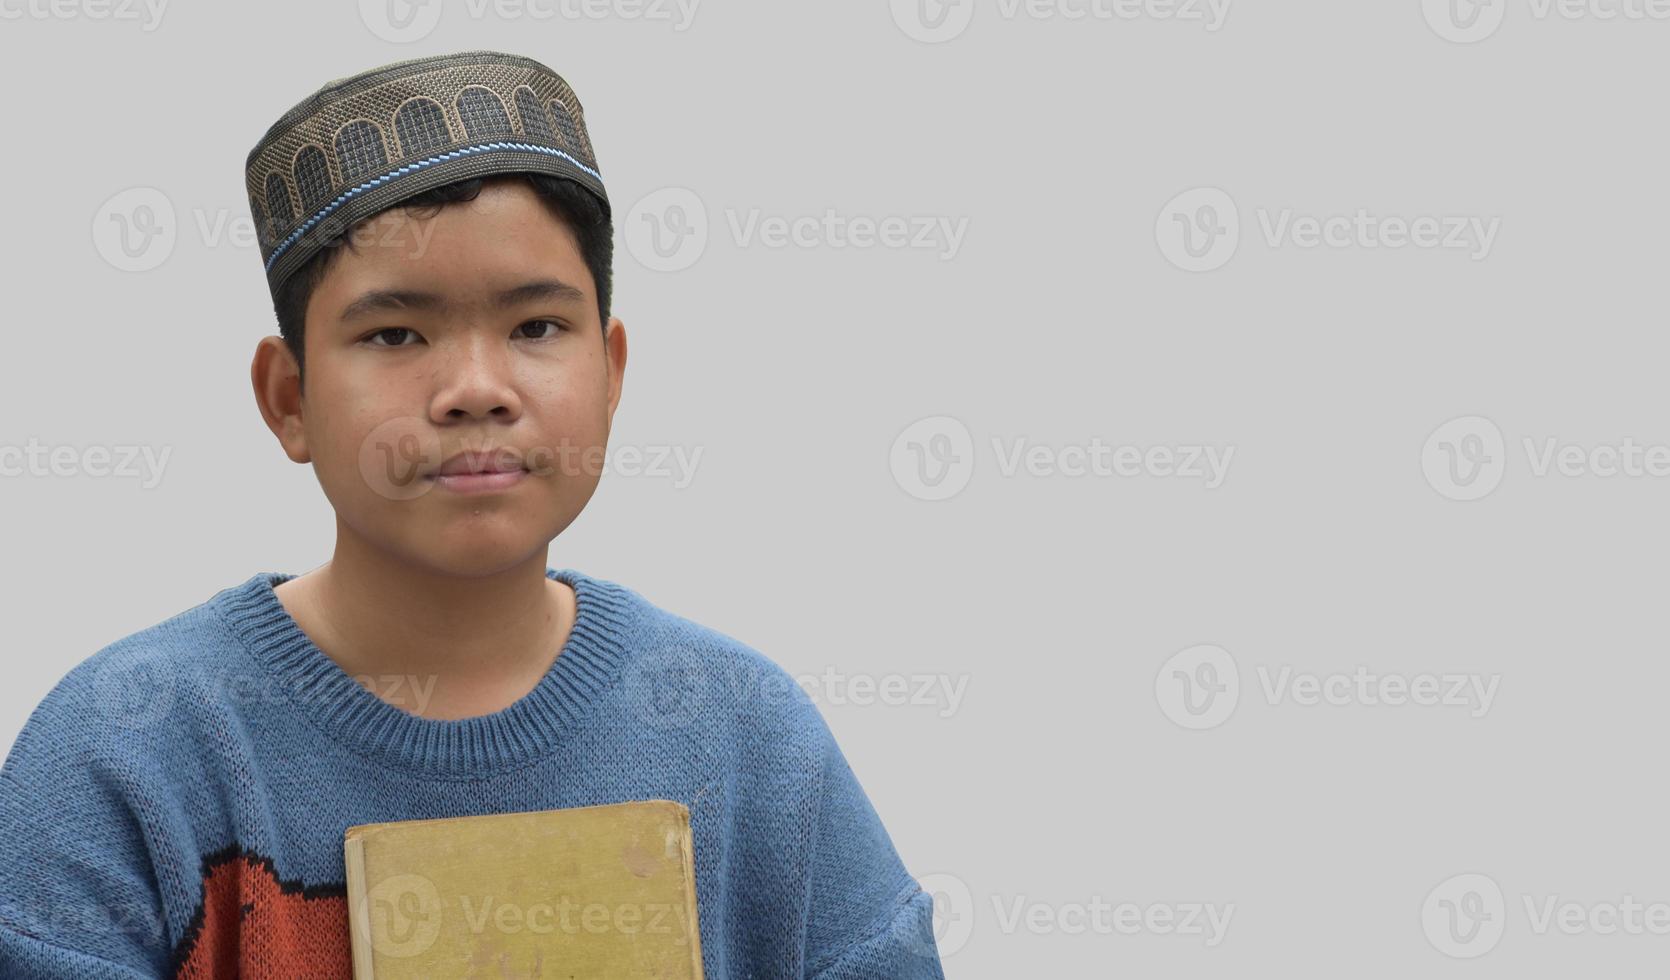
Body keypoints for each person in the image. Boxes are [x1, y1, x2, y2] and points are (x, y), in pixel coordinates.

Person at [0, 50, 944, 978]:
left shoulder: (746, 737)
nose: (475, 390)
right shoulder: (129, 750)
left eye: (536, 327)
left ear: (612, 371)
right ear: (288, 398)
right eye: (396, 333)